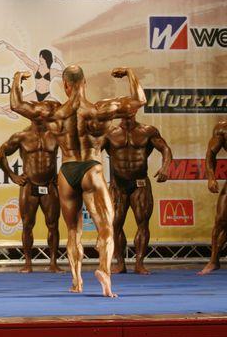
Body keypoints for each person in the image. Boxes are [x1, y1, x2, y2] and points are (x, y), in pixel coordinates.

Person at [10, 65, 146, 297]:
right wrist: (129, 74)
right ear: (85, 83)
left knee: (73, 230)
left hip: (67, 171)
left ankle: (76, 280)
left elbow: (17, 105)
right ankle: (104, 272)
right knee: (106, 227)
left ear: (65, 85)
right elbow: (139, 100)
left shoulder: (53, 111)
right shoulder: (100, 109)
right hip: (91, 167)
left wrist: (17, 79)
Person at [0, 74, 62, 272]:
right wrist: (12, 175)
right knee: (27, 224)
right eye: (37, 111)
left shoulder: (57, 135)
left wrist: (63, 175)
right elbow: (0, 153)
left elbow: (73, 152)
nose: (41, 114)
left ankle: (53, 262)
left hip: (50, 185)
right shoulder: (22, 136)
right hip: (29, 186)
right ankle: (28, 263)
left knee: (53, 225)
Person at [103, 114, 172, 274]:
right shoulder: (109, 132)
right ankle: (120, 263)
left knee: (143, 223)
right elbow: (92, 153)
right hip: (118, 184)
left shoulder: (148, 131)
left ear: (134, 111)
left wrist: (165, 167)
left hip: (140, 184)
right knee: (115, 224)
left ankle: (139, 263)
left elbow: (165, 149)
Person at [199, 121, 227, 275]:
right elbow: (211, 154)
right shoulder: (223, 128)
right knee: (221, 220)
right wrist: (211, 177)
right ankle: (214, 261)